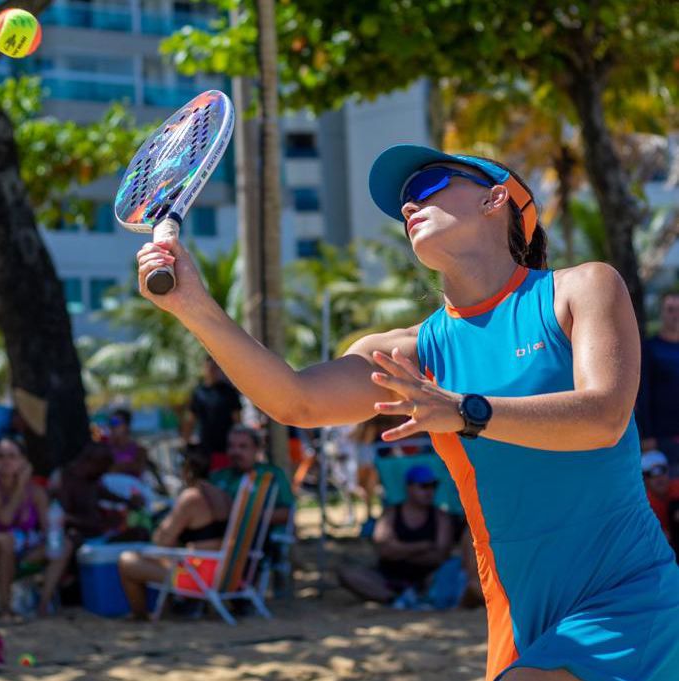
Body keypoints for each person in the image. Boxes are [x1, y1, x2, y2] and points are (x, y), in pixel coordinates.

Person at [136, 143, 679, 681]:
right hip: (517, 609)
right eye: (403, 203)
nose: (408, 207)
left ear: (496, 199)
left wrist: (464, 410)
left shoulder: (581, 288)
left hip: (629, 591)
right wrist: (194, 307)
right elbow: (292, 400)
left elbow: (603, 417)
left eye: (426, 187)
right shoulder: (413, 351)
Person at [118, 447, 231, 620]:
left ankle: (139, 616)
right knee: (168, 557)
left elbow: (161, 540)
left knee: (127, 561)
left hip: (199, 577)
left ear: (185, 469)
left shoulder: (191, 497)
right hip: (225, 572)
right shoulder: (222, 495)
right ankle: (166, 610)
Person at [338, 464, 452, 604]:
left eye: (433, 486)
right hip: (388, 578)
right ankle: (397, 599)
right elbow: (384, 550)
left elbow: (440, 556)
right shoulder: (391, 514)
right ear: (409, 488)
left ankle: (404, 599)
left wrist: (399, 549)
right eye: (423, 486)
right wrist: (423, 546)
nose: (430, 491)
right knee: (348, 573)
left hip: (427, 578)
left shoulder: (441, 517)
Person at [0, 437, 73, 618]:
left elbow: (48, 529)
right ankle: (6, 608)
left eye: (12, 456)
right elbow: (5, 520)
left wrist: (56, 529)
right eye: (0, 456)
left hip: (25, 551)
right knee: (6, 541)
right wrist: (20, 486)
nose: (6, 461)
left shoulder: (36, 492)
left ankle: (43, 604)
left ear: (24, 461)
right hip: (1, 549)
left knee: (65, 545)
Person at [210, 425, 292, 528]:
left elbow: (288, 512)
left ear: (256, 449)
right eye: (231, 446)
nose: (236, 452)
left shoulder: (272, 474)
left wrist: (247, 515)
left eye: (243, 446)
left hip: (260, 537)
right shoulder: (218, 476)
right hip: (219, 535)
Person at [636, 290, 679, 475]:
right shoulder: (650, 348)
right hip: (663, 438)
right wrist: (647, 434)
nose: (675, 315)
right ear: (661, 313)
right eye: (670, 309)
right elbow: (643, 393)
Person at [182, 356, 242, 471]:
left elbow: (237, 420)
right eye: (209, 367)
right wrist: (186, 441)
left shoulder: (229, 392)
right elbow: (190, 419)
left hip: (226, 448)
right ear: (204, 369)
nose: (212, 370)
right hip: (205, 448)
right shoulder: (198, 393)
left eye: (215, 367)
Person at [641, 450, 679, 556]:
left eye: (662, 470)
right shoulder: (643, 504)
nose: (659, 478)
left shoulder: (677, 487)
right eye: (651, 474)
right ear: (644, 479)